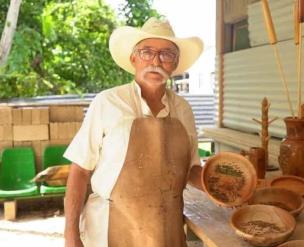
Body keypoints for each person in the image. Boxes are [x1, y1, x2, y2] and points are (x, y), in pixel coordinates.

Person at [64, 17, 204, 247]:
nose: (156, 61)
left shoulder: (183, 110)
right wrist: (71, 236)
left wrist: (222, 186)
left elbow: (191, 170)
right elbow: (79, 170)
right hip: (110, 231)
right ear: (133, 58)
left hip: (167, 229)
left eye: (167, 54)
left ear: (175, 63)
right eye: (147, 52)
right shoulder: (107, 102)